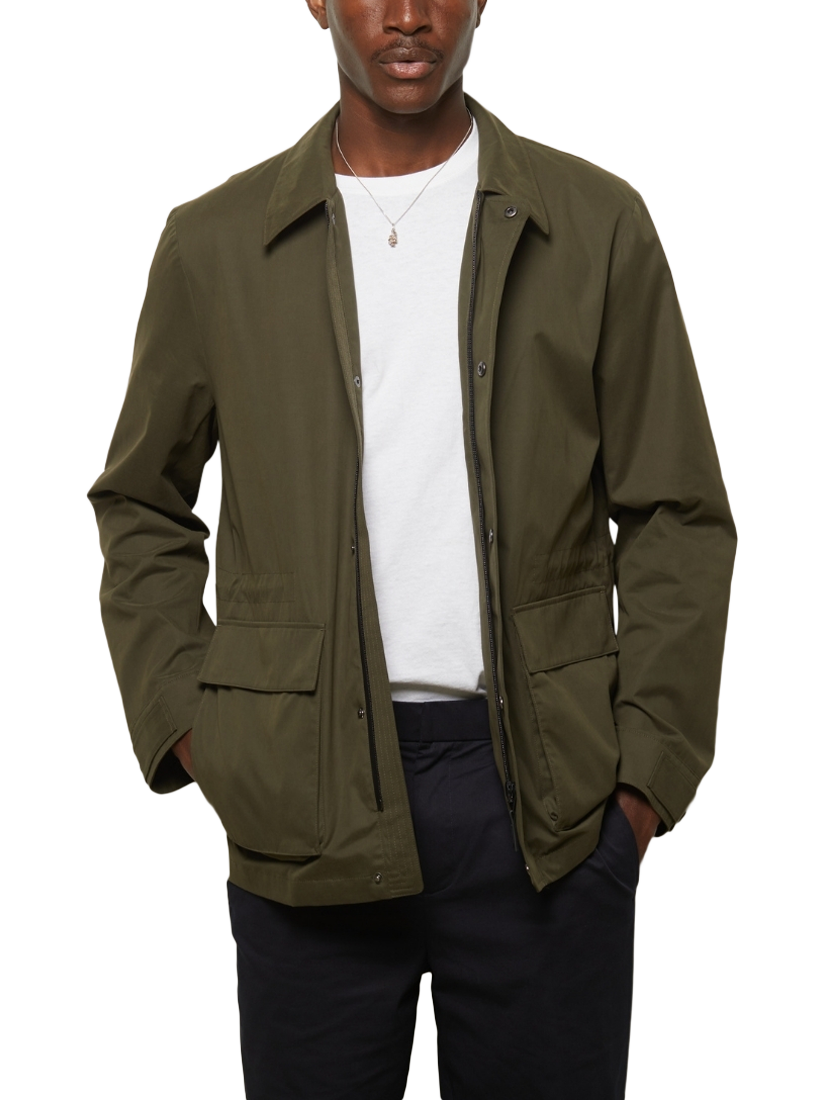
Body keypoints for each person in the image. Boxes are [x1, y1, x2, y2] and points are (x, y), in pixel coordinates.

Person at [88, 1, 737, 1096]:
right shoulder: (215, 244)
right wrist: (206, 735)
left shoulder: (593, 225)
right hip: (303, 799)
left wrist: (642, 783)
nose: (406, 16)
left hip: (548, 805)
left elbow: (677, 512)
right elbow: (142, 502)